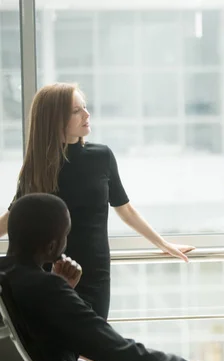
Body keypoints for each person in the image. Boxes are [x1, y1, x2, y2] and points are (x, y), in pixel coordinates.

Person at [0, 193, 224, 361]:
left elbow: (42, 341)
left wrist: (63, 288)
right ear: (53, 247)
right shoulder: (46, 289)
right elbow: (116, 351)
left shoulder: (8, 279)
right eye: (66, 235)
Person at [0, 82, 194, 321]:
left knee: (92, 349)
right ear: (55, 118)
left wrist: (164, 244)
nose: (87, 114)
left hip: (95, 272)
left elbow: (125, 209)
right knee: (56, 348)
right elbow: (14, 217)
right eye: (76, 111)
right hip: (50, 273)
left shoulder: (101, 156)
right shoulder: (36, 167)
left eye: (85, 107)